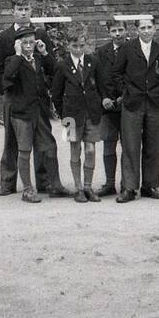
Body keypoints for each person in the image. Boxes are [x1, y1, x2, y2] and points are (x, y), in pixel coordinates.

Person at [0, 0, 68, 197]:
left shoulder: (40, 34)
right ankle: (8, 182)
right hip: (14, 97)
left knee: (43, 141)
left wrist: (45, 87)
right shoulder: (4, 37)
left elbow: (50, 65)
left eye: (26, 9)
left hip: (36, 97)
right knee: (13, 141)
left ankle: (45, 182)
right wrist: (6, 90)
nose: (23, 12)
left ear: (31, 11)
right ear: (13, 11)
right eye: (19, 9)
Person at [112, 12, 159, 202]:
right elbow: (116, 73)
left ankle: (150, 185)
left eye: (149, 27)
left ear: (155, 28)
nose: (146, 31)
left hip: (155, 102)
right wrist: (126, 91)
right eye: (142, 28)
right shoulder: (127, 48)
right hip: (133, 103)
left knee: (153, 145)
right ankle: (129, 188)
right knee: (130, 145)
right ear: (136, 30)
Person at [51, 23, 104, 202]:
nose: (79, 49)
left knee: (90, 150)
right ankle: (78, 188)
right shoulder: (61, 65)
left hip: (91, 114)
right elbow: (56, 94)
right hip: (70, 116)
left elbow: (101, 87)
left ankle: (88, 187)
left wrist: (98, 106)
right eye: (75, 46)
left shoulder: (93, 61)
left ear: (86, 44)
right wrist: (63, 114)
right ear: (68, 45)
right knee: (75, 150)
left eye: (82, 45)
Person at [93, 19, 128, 196]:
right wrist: (103, 98)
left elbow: (135, 76)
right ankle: (109, 183)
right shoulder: (101, 52)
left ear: (126, 31)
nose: (117, 34)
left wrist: (125, 96)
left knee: (128, 146)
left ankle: (126, 184)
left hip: (128, 105)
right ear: (109, 32)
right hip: (107, 106)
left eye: (120, 30)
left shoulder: (132, 49)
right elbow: (96, 79)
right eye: (114, 31)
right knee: (108, 144)